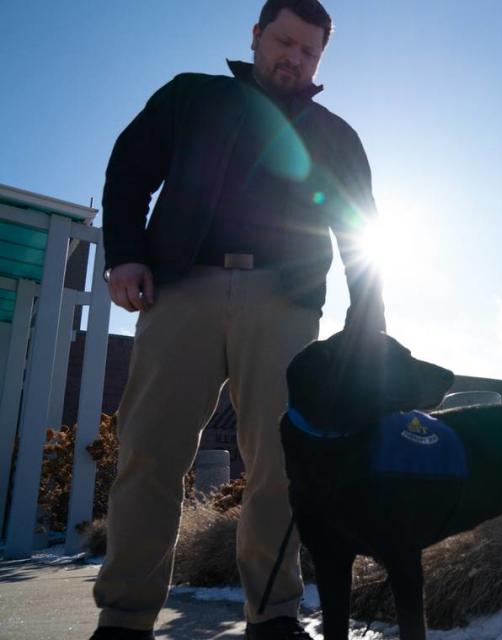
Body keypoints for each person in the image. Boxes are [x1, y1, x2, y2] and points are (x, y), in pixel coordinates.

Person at [90, 1, 384, 638]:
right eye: (284, 41)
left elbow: (363, 233)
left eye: (309, 51)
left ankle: (274, 616)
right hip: (180, 294)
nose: (294, 58)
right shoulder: (192, 97)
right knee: (150, 454)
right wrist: (126, 255)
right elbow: (129, 171)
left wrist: (367, 328)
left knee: (281, 465)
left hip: (284, 307)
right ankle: (124, 618)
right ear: (255, 36)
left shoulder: (335, 134)